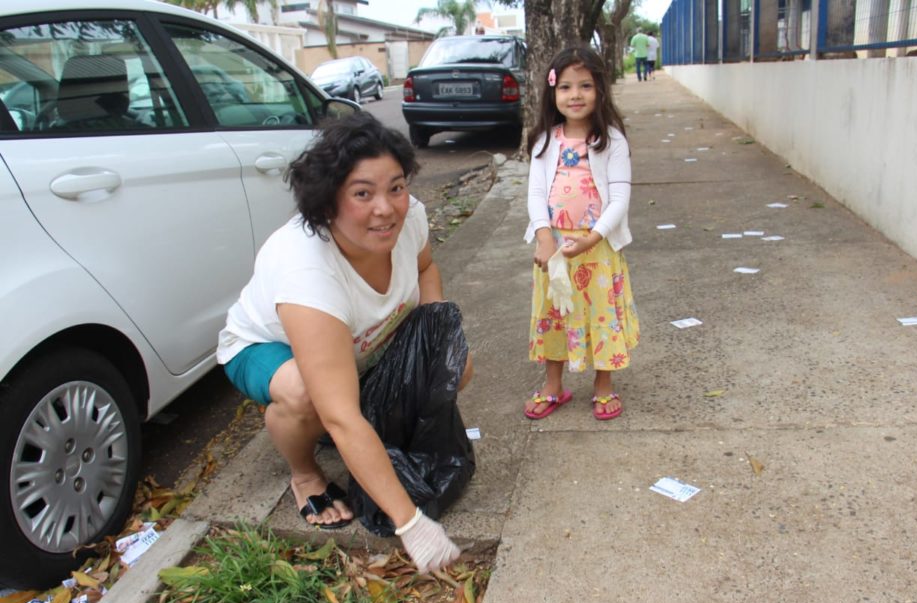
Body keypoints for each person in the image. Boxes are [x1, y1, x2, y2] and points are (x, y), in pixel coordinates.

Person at [216, 111, 472, 573]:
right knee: (309, 397)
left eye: (396, 186)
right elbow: (340, 414)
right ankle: (305, 472)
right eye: (362, 193)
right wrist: (411, 523)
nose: (386, 208)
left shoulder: (408, 217)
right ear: (327, 202)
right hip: (264, 348)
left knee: (459, 367)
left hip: (357, 344)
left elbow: (425, 268)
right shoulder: (308, 271)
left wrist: (436, 333)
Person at [523, 47, 641, 422]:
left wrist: (593, 238)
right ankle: (554, 384)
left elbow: (620, 197)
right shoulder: (545, 139)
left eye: (585, 86)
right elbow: (536, 193)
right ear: (552, 94)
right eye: (566, 87)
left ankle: (603, 385)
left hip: (597, 248)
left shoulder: (612, 140)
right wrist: (544, 237)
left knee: (601, 314)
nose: (575, 95)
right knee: (554, 314)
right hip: (555, 248)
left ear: (600, 91)